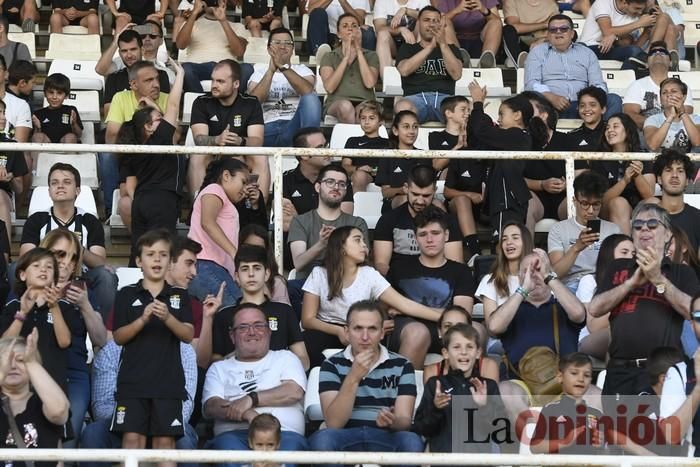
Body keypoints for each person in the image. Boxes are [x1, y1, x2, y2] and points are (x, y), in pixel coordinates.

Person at [589, 203, 700, 397]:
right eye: (638, 226)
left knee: (661, 428)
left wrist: (658, 278)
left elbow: (692, 311)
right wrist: (630, 284)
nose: (644, 229)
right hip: (619, 371)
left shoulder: (681, 272)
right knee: (616, 428)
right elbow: (595, 308)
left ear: (667, 235)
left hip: (664, 372)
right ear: (633, 235)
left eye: (652, 224)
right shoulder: (618, 266)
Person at [301, 226, 441, 368]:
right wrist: (339, 331)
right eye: (357, 240)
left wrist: (443, 317)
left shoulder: (368, 274)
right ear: (341, 246)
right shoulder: (319, 273)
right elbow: (307, 320)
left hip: (362, 329)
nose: (364, 245)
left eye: (363, 240)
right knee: (308, 341)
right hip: (328, 330)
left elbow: (404, 304)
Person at [111, 230, 195, 466]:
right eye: (150, 254)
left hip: (168, 384)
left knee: (165, 446)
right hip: (132, 383)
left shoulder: (180, 295)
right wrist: (142, 320)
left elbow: (188, 334)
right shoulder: (126, 294)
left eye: (162, 255)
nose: (157, 260)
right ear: (139, 261)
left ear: (170, 261)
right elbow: (118, 337)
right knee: (131, 443)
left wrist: (168, 317)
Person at [309, 300, 424, 459]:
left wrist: (393, 421)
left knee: (412, 442)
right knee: (322, 440)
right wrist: (353, 377)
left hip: (386, 435)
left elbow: (404, 421)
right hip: (345, 434)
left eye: (372, 329)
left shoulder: (402, 365)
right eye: (358, 328)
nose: (365, 337)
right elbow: (334, 423)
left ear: (382, 333)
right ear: (347, 332)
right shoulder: (331, 364)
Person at [202, 304, 308, 461]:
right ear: (232, 335)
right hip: (234, 437)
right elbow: (211, 406)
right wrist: (246, 413)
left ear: (269, 331)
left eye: (258, 325)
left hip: (284, 435)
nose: (252, 332)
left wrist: (251, 399)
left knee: (290, 452)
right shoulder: (219, 368)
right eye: (243, 327)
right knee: (227, 451)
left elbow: (294, 391)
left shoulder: (286, 358)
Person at [493, 250, 586, 419]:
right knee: (506, 391)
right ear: (520, 277)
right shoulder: (512, 308)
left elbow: (579, 314)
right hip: (523, 384)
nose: (534, 275)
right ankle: (534, 439)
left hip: (564, 383)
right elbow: (494, 326)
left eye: (538, 270)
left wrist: (549, 277)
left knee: (593, 395)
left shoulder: (562, 305)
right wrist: (523, 289)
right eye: (527, 271)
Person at [19, 163, 117, 320]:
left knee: (106, 276)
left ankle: (102, 334)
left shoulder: (89, 220)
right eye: (54, 183)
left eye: (67, 182)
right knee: (13, 270)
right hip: (45, 275)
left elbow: (100, 262)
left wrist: (75, 247)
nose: (60, 186)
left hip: (80, 276)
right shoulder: (37, 219)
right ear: (49, 191)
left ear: (77, 190)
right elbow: (25, 258)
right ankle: (20, 319)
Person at [79, 339, 198, 467]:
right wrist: (136, 419)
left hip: (168, 425)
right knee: (93, 434)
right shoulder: (112, 349)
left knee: (184, 441)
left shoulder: (183, 349)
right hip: (121, 425)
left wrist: (153, 419)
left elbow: (185, 409)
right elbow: (101, 409)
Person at [39, 229, 108, 449]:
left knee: (67, 443)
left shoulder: (82, 291)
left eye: (73, 257)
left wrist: (85, 305)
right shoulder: (26, 288)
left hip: (73, 373)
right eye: (60, 254)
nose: (67, 263)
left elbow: (100, 339)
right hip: (34, 372)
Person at [386, 206, 475, 369]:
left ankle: (465, 391)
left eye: (435, 233)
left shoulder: (461, 271)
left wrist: (405, 308)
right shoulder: (399, 268)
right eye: (423, 234)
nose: (429, 239)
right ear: (415, 238)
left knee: (478, 331)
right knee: (418, 332)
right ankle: (403, 391)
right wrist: (446, 315)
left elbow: (462, 316)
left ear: (446, 235)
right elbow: (386, 309)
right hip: (408, 331)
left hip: (449, 332)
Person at [116, 58, 185, 265]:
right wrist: (179, 75)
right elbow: (173, 106)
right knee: (160, 252)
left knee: (139, 252)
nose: (162, 121)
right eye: (158, 120)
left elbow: (130, 186)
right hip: (162, 201)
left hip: (141, 203)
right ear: (148, 127)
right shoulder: (160, 139)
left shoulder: (134, 148)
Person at [204, 246, 309, 369]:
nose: (251, 274)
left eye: (257, 268)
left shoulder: (284, 311)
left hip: (277, 382)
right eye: (245, 269)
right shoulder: (224, 315)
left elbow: (303, 359)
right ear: (236, 276)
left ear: (267, 274)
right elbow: (214, 363)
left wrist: (280, 369)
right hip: (236, 383)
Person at [530, 352, 654, 455]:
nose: (580, 379)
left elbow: (607, 450)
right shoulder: (551, 409)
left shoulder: (596, 414)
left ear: (590, 380)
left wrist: (601, 446)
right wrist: (564, 442)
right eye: (574, 373)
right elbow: (535, 447)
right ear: (560, 377)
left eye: (587, 375)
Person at [467, 88, 546, 237]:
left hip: (508, 202)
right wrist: (476, 114)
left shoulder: (517, 136)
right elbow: (476, 141)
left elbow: (483, 132)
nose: (498, 119)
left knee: (506, 242)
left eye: (501, 114)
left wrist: (478, 104)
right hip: (503, 201)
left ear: (517, 115)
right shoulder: (509, 139)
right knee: (506, 242)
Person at [412, 323, 503, 453]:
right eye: (456, 347)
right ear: (445, 353)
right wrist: (436, 409)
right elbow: (421, 429)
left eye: (469, 347)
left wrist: (484, 407)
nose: (464, 352)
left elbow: (500, 433)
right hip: (444, 462)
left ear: (478, 353)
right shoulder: (435, 384)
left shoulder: (488, 386)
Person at [287, 164, 369, 307]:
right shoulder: (300, 221)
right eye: (330, 182)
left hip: (345, 285)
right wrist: (321, 244)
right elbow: (299, 263)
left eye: (342, 184)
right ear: (318, 187)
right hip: (307, 286)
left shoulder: (357, 223)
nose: (336, 187)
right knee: (284, 287)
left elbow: (363, 260)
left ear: (345, 191)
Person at [189, 59, 265, 202]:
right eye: (213, 80)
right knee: (197, 155)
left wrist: (240, 141)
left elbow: (258, 140)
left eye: (220, 81)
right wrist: (216, 140)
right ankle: (197, 205)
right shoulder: (201, 102)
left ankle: (258, 210)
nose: (214, 85)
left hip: (241, 155)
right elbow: (199, 138)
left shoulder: (251, 103)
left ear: (236, 84)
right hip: (213, 155)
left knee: (261, 156)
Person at [524, 14, 623, 119]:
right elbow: (532, 83)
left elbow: (598, 83)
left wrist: (589, 100)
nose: (558, 32)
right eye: (553, 30)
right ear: (548, 35)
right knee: (531, 100)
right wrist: (551, 97)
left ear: (572, 34)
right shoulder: (537, 52)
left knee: (613, 100)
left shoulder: (587, 53)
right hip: (550, 105)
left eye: (563, 29)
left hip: (583, 104)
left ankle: (603, 134)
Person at [0, 248, 72, 390]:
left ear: (55, 277)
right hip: (17, 385)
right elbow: (4, 345)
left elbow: (65, 342)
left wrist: (54, 307)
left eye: (49, 267)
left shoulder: (64, 307)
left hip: (53, 383)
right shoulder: (12, 306)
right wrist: (22, 314)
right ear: (22, 275)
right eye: (36, 265)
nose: (43, 270)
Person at [374, 164, 463, 276]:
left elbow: (455, 265)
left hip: (438, 283)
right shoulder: (389, 220)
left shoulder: (448, 221)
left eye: (426, 196)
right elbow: (381, 265)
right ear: (406, 188)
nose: (420, 201)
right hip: (399, 283)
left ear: (434, 191)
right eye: (415, 194)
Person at [187, 158, 250, 308]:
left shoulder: (221, 196)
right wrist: (234, 253)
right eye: (243, 181)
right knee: (238, 313)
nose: (245, 188)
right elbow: (207, 222)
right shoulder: (214, 189)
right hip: (206, 266)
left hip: (211, 269)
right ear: (226, 176)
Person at [0, 331, 70, 461]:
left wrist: (31, 362)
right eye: (6, 360)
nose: (13, 366)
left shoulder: (44, 401)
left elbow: (59, 411)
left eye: (20, 360)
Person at [547, 171, 621, 291]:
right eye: (585, 204)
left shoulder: (613, 230)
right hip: (570, 286)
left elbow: (619, 270)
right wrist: (576, 248)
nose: (591, 210)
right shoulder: (559, 229)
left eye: (596, 204)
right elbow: (555, 274)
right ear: (574, 201)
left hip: (601, 286)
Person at [248, 27, 322, 147]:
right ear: (268, 49)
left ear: (293, 49)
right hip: (266, 130)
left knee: (311, 98)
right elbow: (253, 103)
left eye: (287, 43)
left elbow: (307, 92)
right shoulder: (259, 73)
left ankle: (312, 148)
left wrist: (282, 67)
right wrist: (271, 71)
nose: (282, 47)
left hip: (294, 129)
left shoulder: (303, 70)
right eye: (277, 43)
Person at [394, 6, 462, 124]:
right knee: (402, 107)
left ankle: (459, 142)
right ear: (418, 23)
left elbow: (456, 74)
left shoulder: (451, 49)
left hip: (445, 99)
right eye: (427, 20)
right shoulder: (408, 48)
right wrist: (430, 47)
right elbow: (404, 70)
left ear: (441, 24)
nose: (431, 24)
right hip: (415, 98)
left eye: (435, 21)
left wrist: (443, 44)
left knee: (465, 109)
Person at [593, 113, 655, 235]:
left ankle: (651, 251)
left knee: (654, 203)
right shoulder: (599, 158)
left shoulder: (642, 155)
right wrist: (625, 181)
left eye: (615, 126)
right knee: (619, 202)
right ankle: (624, 250)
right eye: (607, 128)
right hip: (608, 209)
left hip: (636, 207)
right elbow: (601, 200)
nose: (610, 130)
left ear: (627, 130)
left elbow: (649, 195)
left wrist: (637, 175)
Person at [575, 234, 634, 360]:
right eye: (624, 252)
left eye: (633, 254)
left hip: (627, 337)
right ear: (609, 255)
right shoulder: (590, 281)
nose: (630, 257)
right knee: (622, 334)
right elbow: (593, 327)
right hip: (591, 340)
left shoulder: (637, 283)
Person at [176, 0, 250, 93]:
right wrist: (194, 13)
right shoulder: (191, 24)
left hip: (227, 67)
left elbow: (239, 52)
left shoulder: (237, 26)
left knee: (247, 69)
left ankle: (232, 104)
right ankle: (202, 103)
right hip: (198, 67)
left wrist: (223, 21)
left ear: (224, 2)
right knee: (185, 69)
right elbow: (180, 45)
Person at [319, 14, 380, 124]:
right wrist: (346, 57)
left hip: (364, 101)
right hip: (337, 103)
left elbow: (370, 83)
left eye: (354, 26)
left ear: (359, 31)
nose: (350, 28)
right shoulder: (329, 56)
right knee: (345, 107)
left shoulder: (371, 55)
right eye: (345, 26)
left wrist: (358, 50)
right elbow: (329, 87)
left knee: (365, 111)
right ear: (338, 34)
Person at [578, 0, 677, 67]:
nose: (639, 13)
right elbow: (607, 31)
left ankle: (649, 55)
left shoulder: (632, 16)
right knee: (634, 52)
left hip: (611, 49)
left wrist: (646, 33)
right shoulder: (603, 2)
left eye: (641, 9)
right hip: (590, 47)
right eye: (637, 9)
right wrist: (639, 23)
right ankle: (650, 57)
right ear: (625, 2)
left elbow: (628, 44)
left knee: (633, 53)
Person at [623, 41, 693, 130]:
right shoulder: (637, 85)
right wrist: (658, 126)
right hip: (647, 133)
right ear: (647, 64)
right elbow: (630, 114)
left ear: (671, 62)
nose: (657, 53)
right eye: (652, 52)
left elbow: (686, 114)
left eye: (663, 52)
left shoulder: (682, 86)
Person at [476, 222, 534, 323]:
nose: (508, 242)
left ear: (526, 242)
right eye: (504, 239)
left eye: (515, 238)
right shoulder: (490, 280)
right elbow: (491, 327)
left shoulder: (539, 278)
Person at [422, 306, 499, 382]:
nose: (454, 332)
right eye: (447, 326)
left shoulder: (488, 367)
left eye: (460, 326)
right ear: (439, 331)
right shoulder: (432, 372)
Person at [646, 149, 700, 254]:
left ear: (687, 181)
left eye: (680, 171)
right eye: (668, 170)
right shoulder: (646, 217)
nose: (674, 175)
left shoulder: (698, 218)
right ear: (659, 179)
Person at [374, 111, 425, 209]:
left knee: (438, 204)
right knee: (406, 201)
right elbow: (385, 192)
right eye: (406, 127)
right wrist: (402, 190)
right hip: (395, 203)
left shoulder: (424, 155)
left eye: (415, 127)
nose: (411, 131)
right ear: (395, 130)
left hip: (422, 201)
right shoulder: (387, 155)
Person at [432, 0, 501, 67]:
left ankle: (486, 63)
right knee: (444, 22)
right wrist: (457, 10)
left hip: (480, 38)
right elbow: (438, 23)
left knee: (496, 22)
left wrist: (484, 10)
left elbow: (497, 21)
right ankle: (459, 61)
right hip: (455, 39)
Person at [341, 101, 389, 192]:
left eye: (371, 118)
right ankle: (357, 206)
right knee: (360, 175)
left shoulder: (388, 143)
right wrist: (358, 168)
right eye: (363, 118)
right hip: (361, 176)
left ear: (381, 121)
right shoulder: (353, 141)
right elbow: (345, 166)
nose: (366, 122)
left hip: (383, 178)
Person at [373, 0, 428, 79]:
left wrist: (405, 10)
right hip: (393, 46)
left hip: (414, 42)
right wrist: (400, 30)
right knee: (382, 34)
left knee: (422, 23)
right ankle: (387, 80)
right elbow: (379, 27)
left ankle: (420, 72)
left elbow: (429, 17)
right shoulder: (382, 1)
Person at [643, 77, 700, 152]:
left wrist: (682, 113)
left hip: (688, 163)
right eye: (664, 92)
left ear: (684, 97)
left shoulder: (695, 119)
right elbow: (653, 145)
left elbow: (697, 142)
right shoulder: (652, 120)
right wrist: (670, 117)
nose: (669, 95)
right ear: (660, 99)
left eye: (674, 91)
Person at [239, 224, 290, 305]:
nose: (254, 253)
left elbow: (284, 313)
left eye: (259, 249)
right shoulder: (232, 278)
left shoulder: (276, 282)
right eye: (249, 247)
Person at [0, 98, 27, 242]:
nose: (3, 117)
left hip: (4, 194)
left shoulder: (11, 146)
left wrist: (10, 178)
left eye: (4, 112)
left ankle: (4, 258)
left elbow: (19, 189)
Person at [501, 0, 558, 67]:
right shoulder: (511, 1)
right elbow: (514, 27)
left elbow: (557, 27)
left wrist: (544, 40)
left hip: (544, 42)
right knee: (508, 29)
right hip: (521, 44)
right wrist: (544, 24)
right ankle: (519, 61)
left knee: (570, 33)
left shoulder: (551, 3)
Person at [306, 0, 375, 55]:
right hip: (326, 36)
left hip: (350, 35)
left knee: (367, 32)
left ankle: (366, 63)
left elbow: (359, 21)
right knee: (318, 13)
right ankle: (320, 53)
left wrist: (343, 1)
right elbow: (311, 11)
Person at [31, 73, 83, 145]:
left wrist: (74, 124)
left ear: (66, 95)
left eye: (59, 93)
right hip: (46, 148)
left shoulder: (70, 110)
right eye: (51, 92)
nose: (54, 97)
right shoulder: (38, 113)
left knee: (70, 137)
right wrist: (38, 128)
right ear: (45, 94)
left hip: (65, 148)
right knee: (38, 136)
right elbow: (35, 138)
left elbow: (79, 134)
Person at [564, 86, 608, 152]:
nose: (587, 109)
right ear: (577, 108)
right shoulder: (571, 136)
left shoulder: (610, 132)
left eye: (592, 105)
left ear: (603, 109)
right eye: (582, 106)